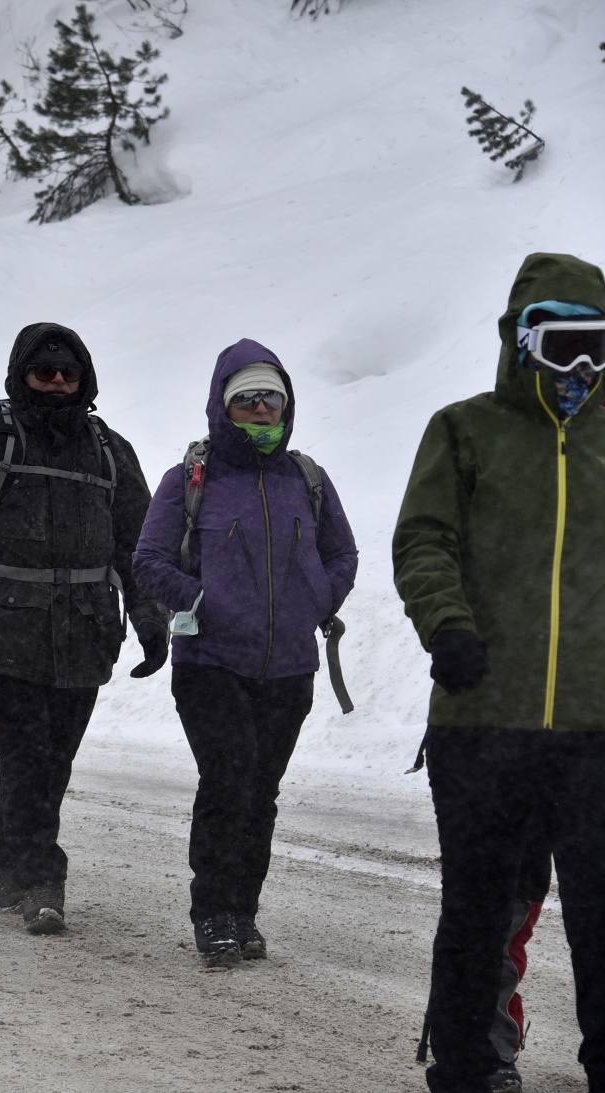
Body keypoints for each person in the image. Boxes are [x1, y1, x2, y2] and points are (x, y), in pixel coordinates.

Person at [393, 252, 605, 1093]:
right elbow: (424, 537)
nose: (578, 366)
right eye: (560, 344)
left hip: (595, 729)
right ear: (522, 341)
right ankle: (469, 1069)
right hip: (482, 718)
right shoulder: (465, 430)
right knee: (479, 912)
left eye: (595, 344)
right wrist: (447, 625)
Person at [0, 323, 162, 934]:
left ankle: (4, 853)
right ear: (22, 376)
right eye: (45, 372)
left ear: (85, 379)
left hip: (87, 633)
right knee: (29, 756)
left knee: (52, 763)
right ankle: (43, 880)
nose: (58, 382)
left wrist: (150, 619)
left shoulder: (111, 452)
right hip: (6, 631)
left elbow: (138, 547)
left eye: (69, 373)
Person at [133, 339, 357, 965]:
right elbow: (148, 560)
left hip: (290, 667)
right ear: (223, 406)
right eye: (247, 398)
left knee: (261, 792)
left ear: (286, 407)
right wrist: (203, 601)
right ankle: (213, 914)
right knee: (229, 779)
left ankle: (243, 913)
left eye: (271, 399)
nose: (261, 409)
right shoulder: (190, 480)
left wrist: (316, 600)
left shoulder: (307, 480)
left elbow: (343, 553)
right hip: (210, 663)